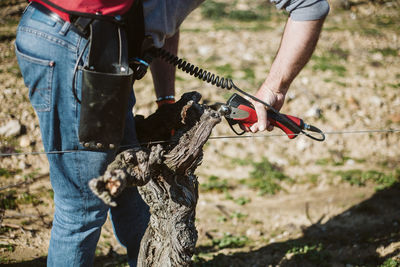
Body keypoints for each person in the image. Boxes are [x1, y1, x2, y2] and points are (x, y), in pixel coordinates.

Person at [15, 0, 329, 266]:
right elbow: (309, 7)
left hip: (88, 44)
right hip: (78, 43)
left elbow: (167, 24)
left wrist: (166, 100)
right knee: (81, 207)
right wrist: (272, 92)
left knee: (130, 184)